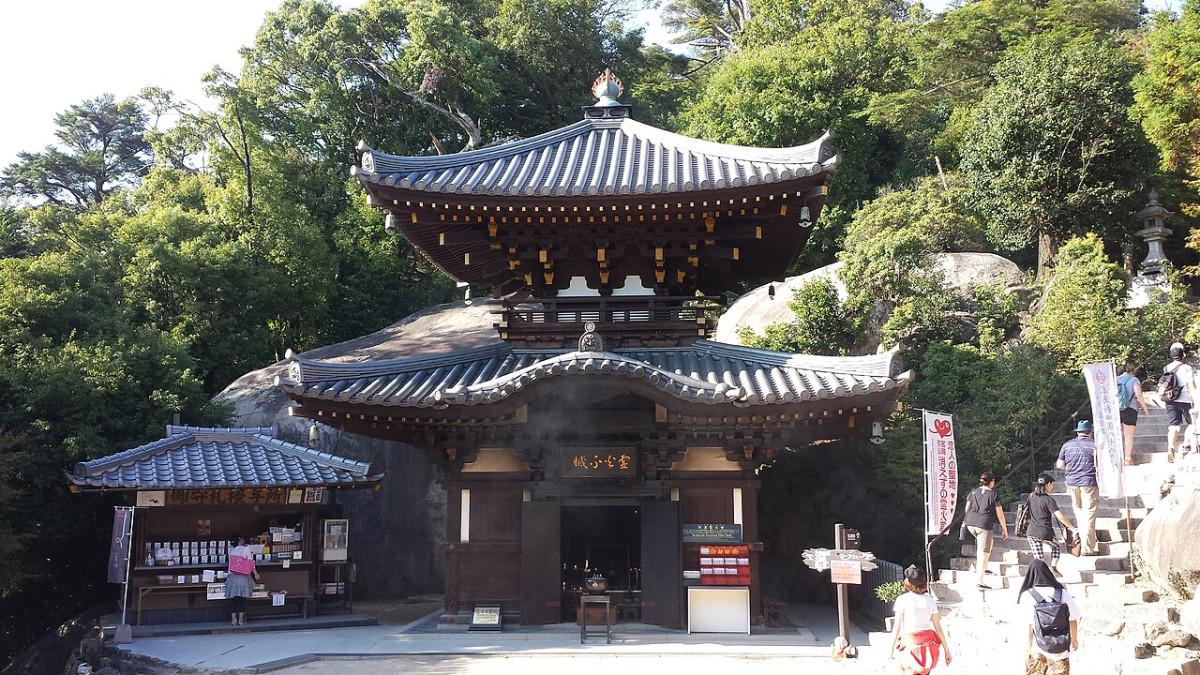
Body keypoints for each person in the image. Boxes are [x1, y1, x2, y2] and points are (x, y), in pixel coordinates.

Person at [1018, 559, 1080, 674]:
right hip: (1060, 646)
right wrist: (1074, 639)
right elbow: (1073, 618)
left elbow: (1028, 625)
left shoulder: (1028, 595)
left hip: (1038, 645)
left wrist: (1028, 646)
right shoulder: (1062, 593)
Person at [889, 565, 953, 674]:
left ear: (908, 582)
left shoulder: (902, 600)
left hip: (910, 643)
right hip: (928, 644)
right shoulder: (930, 601)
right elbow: (938, 627)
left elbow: (897, 627)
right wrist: (947, 650)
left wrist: (890, 649)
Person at [1056, 421, 1099, 556]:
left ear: (1078, 432)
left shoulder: (1067, 445)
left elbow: (1060, 465)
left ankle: (1081, 538)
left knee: (1079, 512)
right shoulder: (1094, 446)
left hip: (1072, 483)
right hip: (1089, 483)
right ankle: (1087, 548)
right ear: (1090, 432)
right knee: (1090, 514)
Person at [963, 469, 1009, 589]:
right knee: (982, 553)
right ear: (992, 482)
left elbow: (966, 507)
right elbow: (1000, 513)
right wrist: (1005, 529)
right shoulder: (993, 494)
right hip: (983, 525)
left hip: (970, 523)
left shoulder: (973, 492)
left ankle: (985, 567)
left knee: (990, 542)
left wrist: (969, 519)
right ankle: (980, 581)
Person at [1025, 473, 1075, 575]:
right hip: (1045, 532)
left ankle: (1040, 576)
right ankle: (1053, 567)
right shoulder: (1048, 500)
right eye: (1052, 484)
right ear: (1048, 484)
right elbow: (1060, 516)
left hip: (1031, 532)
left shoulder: (1031, 496)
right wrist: (1072, 528)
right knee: (1056, 547)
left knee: (1039, 558)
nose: (1052, 486)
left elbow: (1027, 512)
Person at [1163, 343, 1198, 463]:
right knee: (1193, 423)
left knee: (1174, 425)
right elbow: (1191, 385)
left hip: (1170, 399)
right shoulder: (1187, 368)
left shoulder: (1167, 368)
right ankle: (1185, 445)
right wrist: (1196, 400)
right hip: (1185, 400)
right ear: (1182, 355)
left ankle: (1170, 448)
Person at [1117, 363, 1150, 465]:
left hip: (1116, 409)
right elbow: (1138, 395)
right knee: (1128, 436)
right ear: (1133, 370)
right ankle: (1127, 458)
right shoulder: (1134, 380)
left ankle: (1117, 457)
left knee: (1117, 434)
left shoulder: (1115, 379)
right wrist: (1145, 408)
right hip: (1130, 409)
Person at [227, 536, 260, 626]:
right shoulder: (246, 549)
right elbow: (250, 562)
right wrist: (256, 573)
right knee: (242, 598)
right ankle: (240, 620)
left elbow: (230, 566)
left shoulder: (231, 550)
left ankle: (233, 620)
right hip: (243, 576)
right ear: (240, 540)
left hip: (233, 576)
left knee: (233, 599)